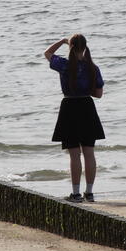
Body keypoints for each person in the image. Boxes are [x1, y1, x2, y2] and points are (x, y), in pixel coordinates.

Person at [44, 34, 105, 202]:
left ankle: (76, 193)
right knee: (89, 153)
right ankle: (90, 192)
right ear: (85, 47)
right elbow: (98, 94)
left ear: (70, 47)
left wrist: (62, 41)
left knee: (74, 154)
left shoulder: (64, 65)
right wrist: (86, 90)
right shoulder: (92, 67)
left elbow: (47, 53)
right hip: (87, 107)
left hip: (69, 108)